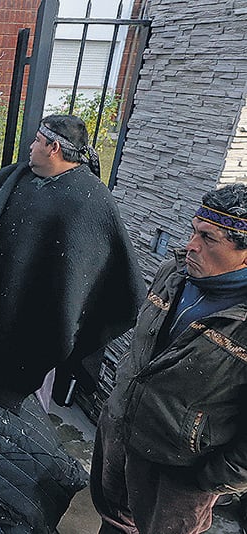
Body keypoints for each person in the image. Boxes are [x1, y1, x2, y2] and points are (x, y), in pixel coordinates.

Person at [0, 114, 144, 411]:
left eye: (37, 141)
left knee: (26, 401)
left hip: (40, 322)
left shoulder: (90, 200)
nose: (31, 147)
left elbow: (105, 276)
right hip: (1, 305)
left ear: (54, 147)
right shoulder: (19, 179)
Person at [91, 183, 247, 534]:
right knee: (113, 523)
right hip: (121, 434)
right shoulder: (174, 274)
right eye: (194, 231)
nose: (191, 245)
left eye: (208, 238)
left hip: (180, 474)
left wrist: (208, 480)